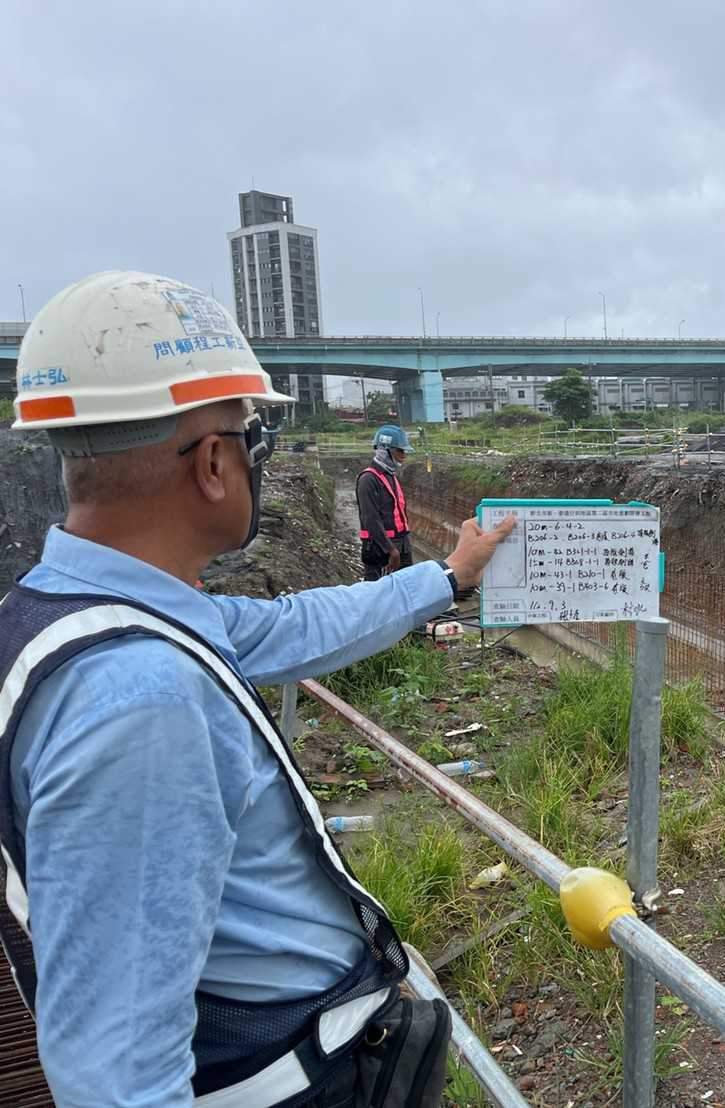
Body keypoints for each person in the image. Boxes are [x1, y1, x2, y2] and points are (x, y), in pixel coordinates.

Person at [0, 271, 517, 1107]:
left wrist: (447, 577)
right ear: (212, 462)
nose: (255, 461)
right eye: (251, 440)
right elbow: (117, 1069)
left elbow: (292, 627)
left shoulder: (75, 613)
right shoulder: (141, 698)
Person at [358, 424, 414, 580]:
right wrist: (390, 549)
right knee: (380, 598)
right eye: (400, 450)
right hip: (381, 550)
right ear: (384, 451)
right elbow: (371, 519)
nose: (404, 455)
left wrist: (402, 548)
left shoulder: (390, 476)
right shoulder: (368, 479)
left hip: (401, 546)